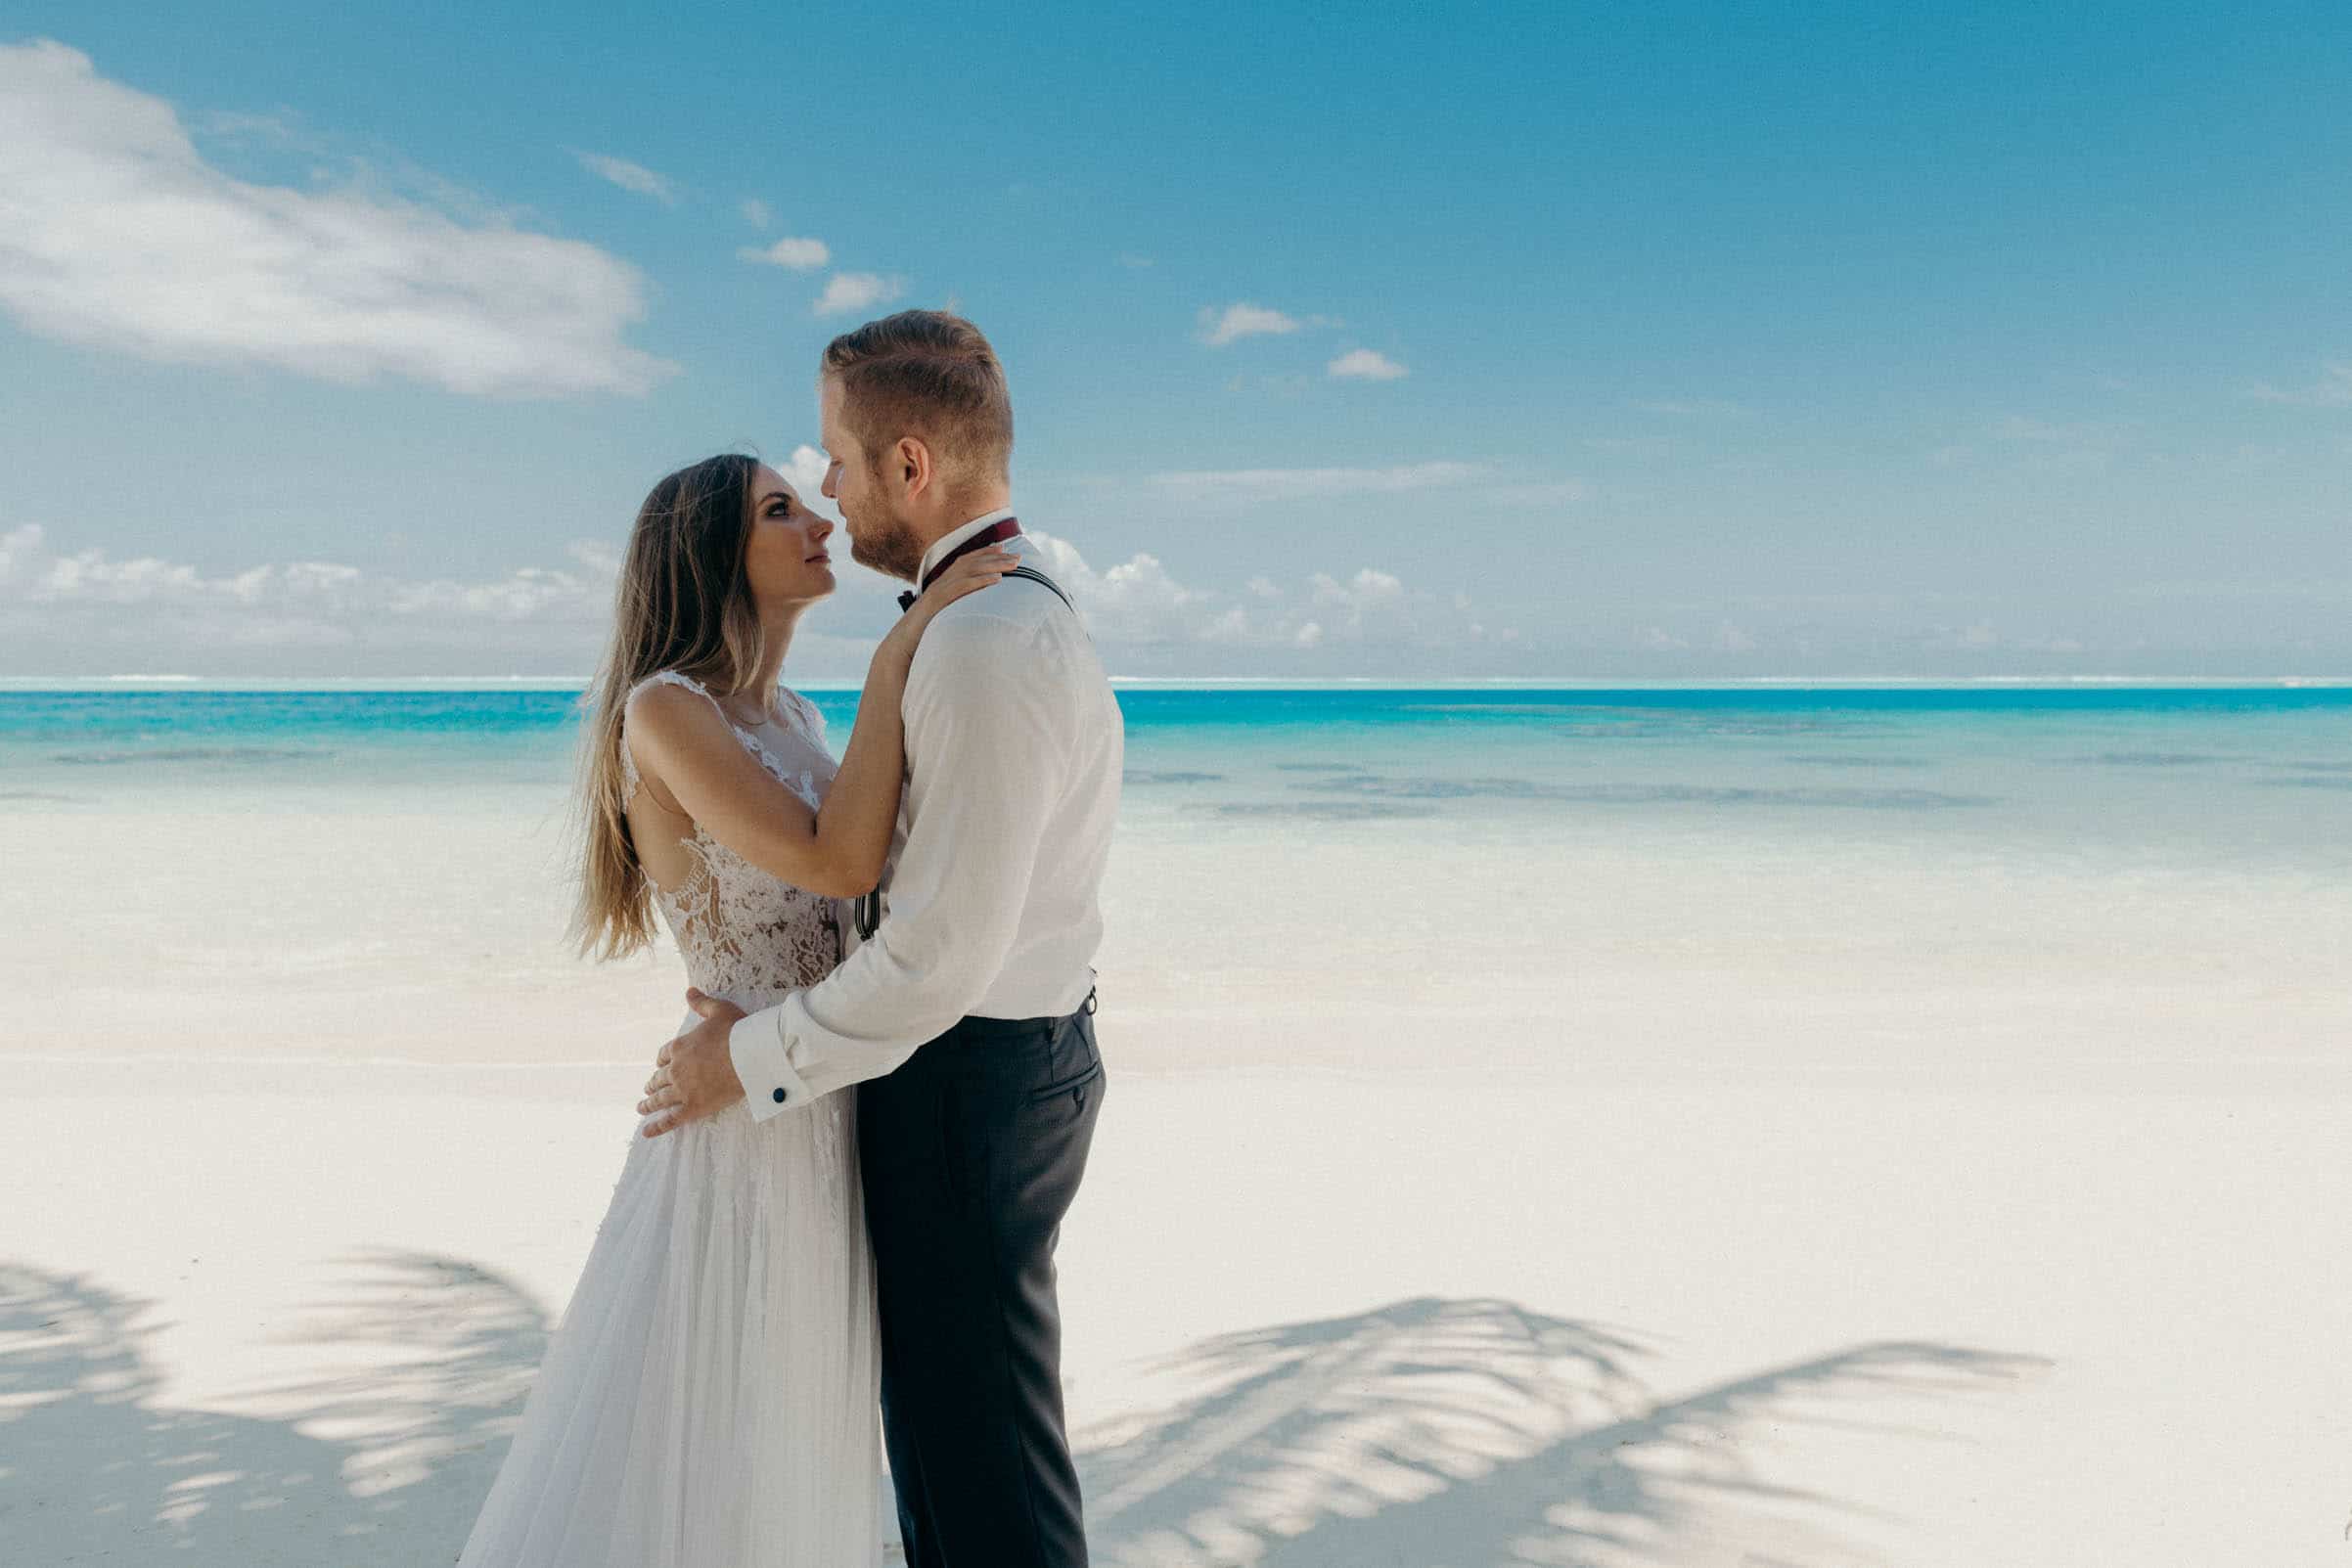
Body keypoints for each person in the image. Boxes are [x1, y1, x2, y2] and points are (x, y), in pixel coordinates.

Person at [455, 451, 1015, 1567]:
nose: (818, 520)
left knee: (798, 1430)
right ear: (712, 556)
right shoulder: (666, 710)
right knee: (719, 1433)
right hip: (741, 1120)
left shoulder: (797, 713)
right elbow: (841, 858)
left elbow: (884, 877)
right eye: (779, 510)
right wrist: (905, 644)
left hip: (813, 1091)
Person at [637, 311, 1124, 1568]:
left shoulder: (980, 640)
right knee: (953, 1459)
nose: (830, 498)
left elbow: (936, 957)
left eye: (838, 466)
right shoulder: (988, 622)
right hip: (975, 1070)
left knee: (981, 1487)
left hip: (967, 1080)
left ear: (909, 467)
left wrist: (743, 1062)